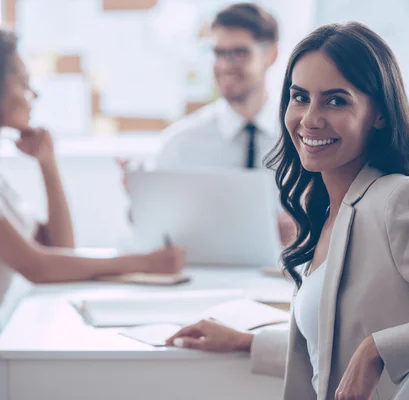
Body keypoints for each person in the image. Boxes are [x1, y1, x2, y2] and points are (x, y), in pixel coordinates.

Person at [166, 23, 409, 400]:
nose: (310, 118)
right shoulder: (332, 211)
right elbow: (333, 354)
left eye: (336, 100)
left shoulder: (398, 202)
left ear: (379, 113)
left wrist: (379, 349)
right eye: (299, 97)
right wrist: (247, 342)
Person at [0, 27, 185, 400]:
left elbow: (60, 247)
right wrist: (145, 262)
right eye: (23, 81)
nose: (32, 93)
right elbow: (38, 268)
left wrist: (47, 163)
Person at [120, 3, 296, 245]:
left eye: (239, 53)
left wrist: (306, 228)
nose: (224, 65)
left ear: (271, 55)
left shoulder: (301, 138)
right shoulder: (181, 142)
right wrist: (142, 200)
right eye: (218, 53)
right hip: (204, 278)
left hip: (283, 277)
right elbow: (150, 230)